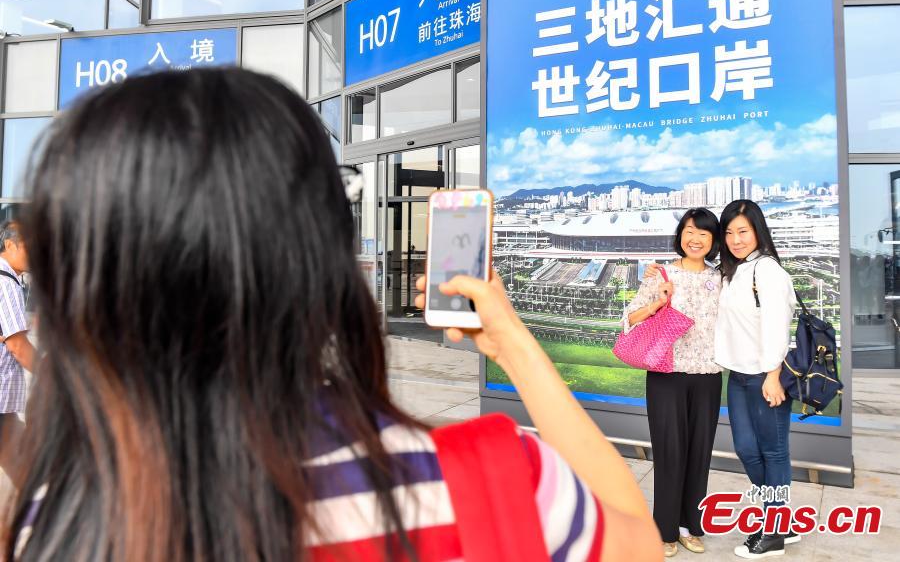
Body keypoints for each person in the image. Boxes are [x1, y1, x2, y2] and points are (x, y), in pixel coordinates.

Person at [4, 68, 661, 561]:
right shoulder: (492, 482)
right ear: (320, 262)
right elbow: (640, 543)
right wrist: (513, 343)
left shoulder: (56, 511)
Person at [624, 208, 722, 558]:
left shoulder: (721, 278)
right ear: (681, 234)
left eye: (704, 234)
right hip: (666, 375)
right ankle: (664, 529)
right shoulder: (660, 273)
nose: (695, 239)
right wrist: (657, 302)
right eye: (690, 231)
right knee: (669, 453)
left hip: (709, 376)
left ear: (713, 241)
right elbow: (629, 319)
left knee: (699, 453)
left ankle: (689, 527)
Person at [715, 200, 798, 559]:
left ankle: (775, 532)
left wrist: (773, 375)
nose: (735, 239)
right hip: (738, 375)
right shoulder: (734, 271)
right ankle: (782, 522)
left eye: (743, 231)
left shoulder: (768, 271)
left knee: (773, 452)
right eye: (729, 232)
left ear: (758, 232)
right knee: (748, 451)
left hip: (765, 377)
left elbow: (778, 326)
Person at [0, 219, 33, 486]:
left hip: (5, 404)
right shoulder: (6, 281)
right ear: (9, 245)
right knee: (26, 467)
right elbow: (17, 346)